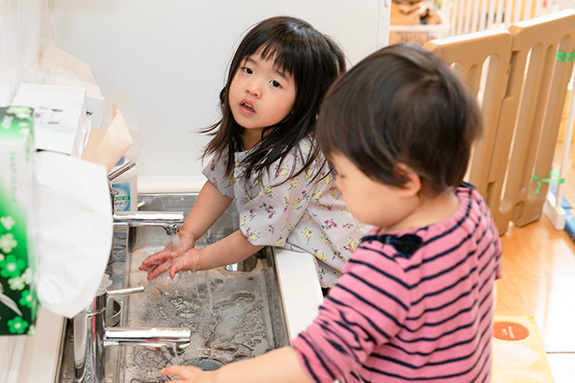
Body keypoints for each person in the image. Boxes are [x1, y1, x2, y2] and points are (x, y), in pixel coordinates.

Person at [160, 43, 503, 382]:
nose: (336, 185)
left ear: (404, 180)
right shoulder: (472, 209)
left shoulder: (384, 265)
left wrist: (222, 379)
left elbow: (314, 360)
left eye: (343, 174)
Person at [139, 16, 366, 289]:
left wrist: (197, 259)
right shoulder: (246, 131)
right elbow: (220, 184)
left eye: (275, 84)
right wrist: (187, 235)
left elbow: (255, 235)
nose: (253, 88)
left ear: (300, 104)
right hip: (299, 265)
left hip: (337, 278)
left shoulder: (295, 158)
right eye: (248, 70)